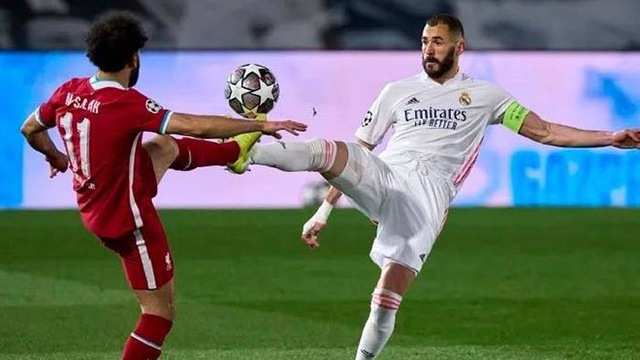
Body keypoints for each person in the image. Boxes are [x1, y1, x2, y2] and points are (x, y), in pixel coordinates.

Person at [229, 13, 640, 359]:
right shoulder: (397, 91)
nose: (429, 48)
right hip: (385, 174)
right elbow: (362, 147)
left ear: (459, 48)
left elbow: (547, 132)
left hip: (427, 198)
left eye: (438, 42)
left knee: (386, 297)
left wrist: (609, 137)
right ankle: (246, 153)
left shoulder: (486, 95)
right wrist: (324, 211)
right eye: (425, 41)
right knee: (331, 150)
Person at [19, 12, 306, 360]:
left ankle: (232, 155)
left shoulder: (69, 91)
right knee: (159, 315)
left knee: (162, 147)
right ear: (134, 58)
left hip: (94, 202)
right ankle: (233, 150)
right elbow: (193, 126)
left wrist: (56, 158)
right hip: (128, 222)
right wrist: (259, 125)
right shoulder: (127, 103)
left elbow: (30, 128)